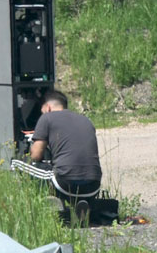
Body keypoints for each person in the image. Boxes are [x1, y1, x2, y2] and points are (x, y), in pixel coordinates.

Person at [30, 90, 102, 218]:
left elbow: (36, 155)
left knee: (22, 165)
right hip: (93, 185)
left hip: (65, 184)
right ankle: (80, 204)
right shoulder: (85, 119)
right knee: (70, 171)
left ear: (48, 108)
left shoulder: (46, 117)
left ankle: (53, 201)